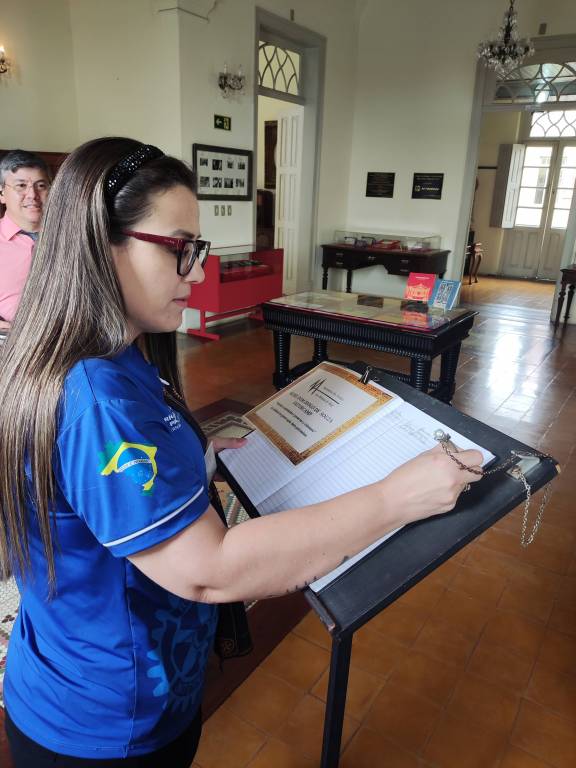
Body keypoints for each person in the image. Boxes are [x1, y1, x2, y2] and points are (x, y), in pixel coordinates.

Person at [0, 137, 482, 766]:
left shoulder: (116, 356)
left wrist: (193, 456)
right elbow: (208, 570)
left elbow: (93, 493)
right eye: (179, 249)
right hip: (107, 719)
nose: (197, 273)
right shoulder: (98, 397)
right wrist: (396, 497)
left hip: (116, 678)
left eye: (196, 250)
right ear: (100, 244)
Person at [0, 149, 50, 331]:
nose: (32, 195)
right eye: (21, 186)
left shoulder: (71, 237)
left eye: (41, 186)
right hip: (9, 339)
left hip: (73, 338)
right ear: (2, 194)